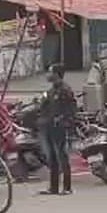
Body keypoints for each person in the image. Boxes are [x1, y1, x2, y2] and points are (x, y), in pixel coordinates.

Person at [36, 64, 75, 196]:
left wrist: (64, 121)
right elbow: (44, 107)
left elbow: (71, 110)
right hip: (49, 127)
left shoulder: (65, 90)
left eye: (50, 72)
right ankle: (53, 187)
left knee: (62, 156)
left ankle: (67, 187)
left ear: (57, 74)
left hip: (60, 128)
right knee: (52, 158)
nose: (47, 75)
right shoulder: (51, 91)